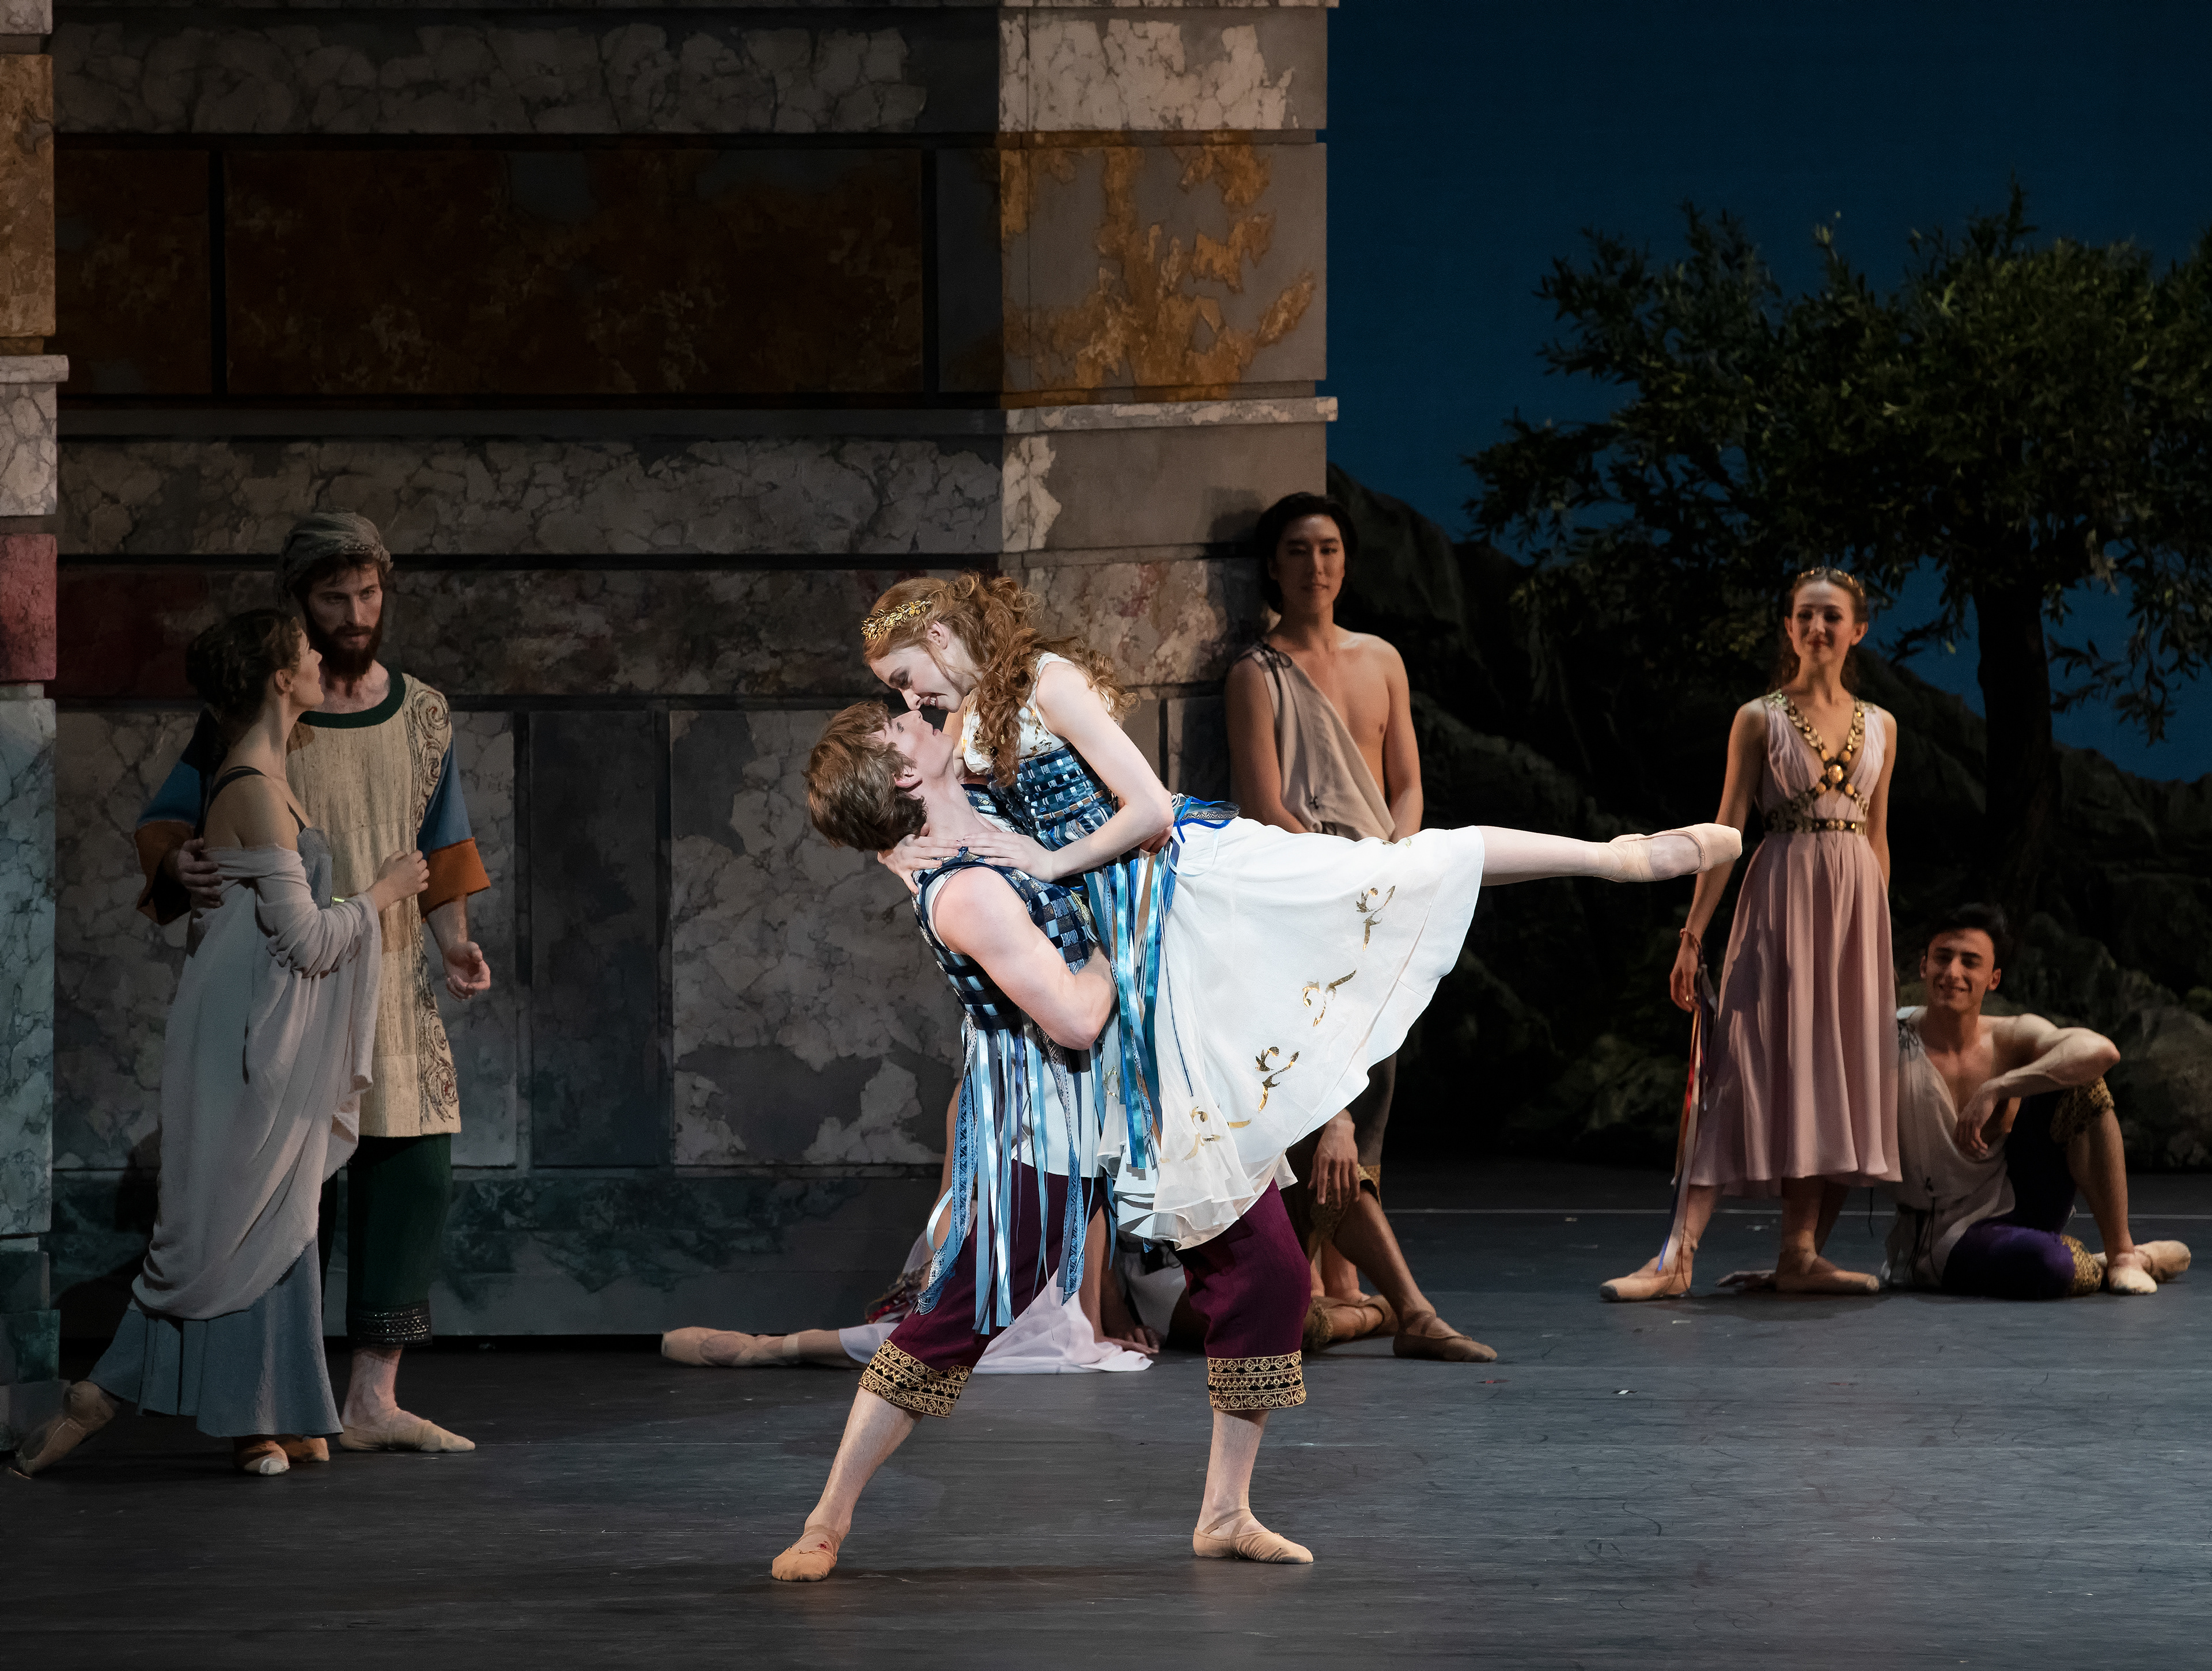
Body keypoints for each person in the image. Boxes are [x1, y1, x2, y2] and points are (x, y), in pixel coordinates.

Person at [863, 572, 1739, 1265]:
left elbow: (1147, 808)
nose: (913, 701)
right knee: (1203, 1112)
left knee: (1393, 869)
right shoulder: (964, 724)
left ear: (940, 637)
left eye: (908, 678)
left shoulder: (1045, 682)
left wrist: (1049, 861)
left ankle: (1618, 856)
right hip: (1122, 929)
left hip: (1179, 875)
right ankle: (1253, 1289)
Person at [768, 704, 1315, 1580]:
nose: (920, 718)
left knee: (1271, 1271)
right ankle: (825, 1520)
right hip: (1057, 1100)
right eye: (900, 727)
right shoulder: (965, 888)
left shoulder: (973, 801)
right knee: (975, 1297)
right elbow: (1072, 1018)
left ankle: (1225, 1510)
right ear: (908, 778)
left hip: (1142, 1082)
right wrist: (1122, 937)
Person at [13, 612, 425, 1478]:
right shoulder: (249, 785)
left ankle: (285, 1408)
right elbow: (307, 941)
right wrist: (385, 890)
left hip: (266, 1037)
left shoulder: (270, 775)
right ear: (281, 677)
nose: (320, 655)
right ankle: (97, 1400)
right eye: (306, 649)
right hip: (245, 1047)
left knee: (280, 1223)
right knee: (223, 1231)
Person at [131, 513, 492, 1452]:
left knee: (409, 1165)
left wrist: (455, 940)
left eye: (368, 592)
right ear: (298, 603)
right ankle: (273, 1400)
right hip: (290, 981)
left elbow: (442, 843)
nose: (355, 611)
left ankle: (372, 1399)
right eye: (334, 596)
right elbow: (174, 821)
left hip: (389, 973)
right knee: (281, 1185)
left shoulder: (421, 710)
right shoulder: (255, 711)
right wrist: (179, 868)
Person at [1224, 491, 1489, 1363]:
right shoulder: (1256, 674)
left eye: (1330, 548)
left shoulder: (1381, 660)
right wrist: (1343, 876)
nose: (1316, 565)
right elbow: (1264, 805)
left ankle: (1347, 1293)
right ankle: (1395, 1307)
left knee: (1367, 1097)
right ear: (1273, 565)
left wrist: (1399, 858)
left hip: (1382, 897)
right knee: (1319, 1102)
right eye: (1298, 550)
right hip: (1305, 901)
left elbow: (1406, 780)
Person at [1603, 567, 1902, 1300]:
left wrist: (1873, 933)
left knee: (1827, 1072)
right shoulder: (1760, 718)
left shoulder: (1883, 725)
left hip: (1854, 912)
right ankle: (1678, 1257)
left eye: (1833, 617)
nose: (1818, 628)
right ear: (1790, 628)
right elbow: (1728, 828)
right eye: (1805, 616)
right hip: (1780, 896)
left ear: (1857, 630)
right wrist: (1693, 933)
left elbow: (1879, 835)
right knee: (1740, 1064)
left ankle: (1799, 1253)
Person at [1885, 905, 2190, 1298]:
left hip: (2017, 1197)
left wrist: (1999, 1087)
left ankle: (2122, 1256)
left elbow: (2100, 1050)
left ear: (1993, 978)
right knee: (2046, 1266)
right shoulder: (1893, 1039)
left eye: (1970, 962)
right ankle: (2098, 1262)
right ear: (1924, 966)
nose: (1952, 972)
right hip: (1946, 1235)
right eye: (1943, 958)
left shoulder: (2008, 1036)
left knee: (2082, 1079)